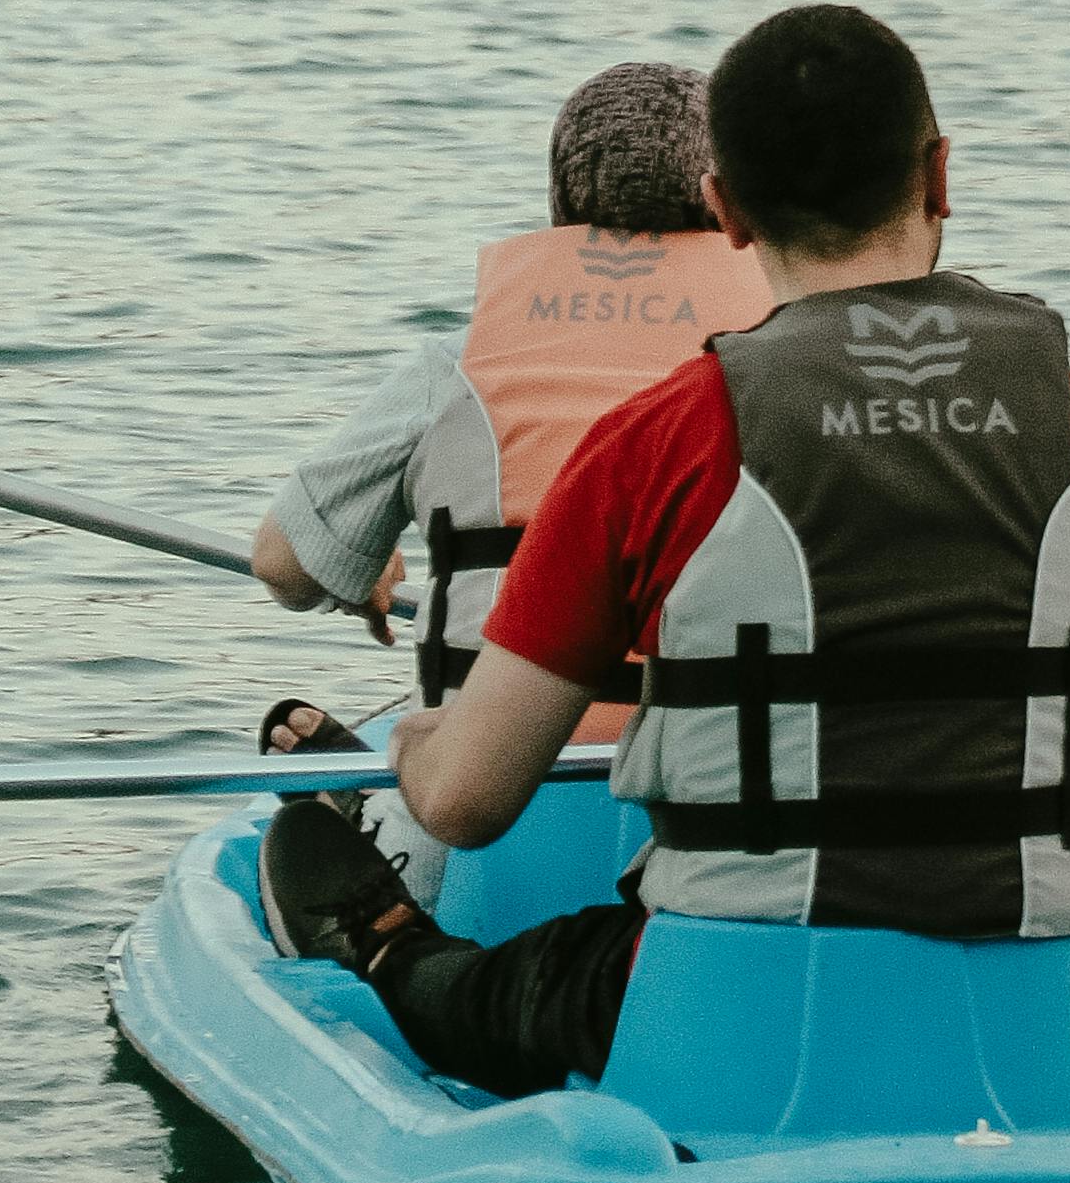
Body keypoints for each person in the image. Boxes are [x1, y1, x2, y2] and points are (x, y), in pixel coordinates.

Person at [259, 2, 1070, 1103]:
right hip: (1051, 1016)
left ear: (727, 211)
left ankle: (387, 946)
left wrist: (418, 738)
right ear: (940, 176)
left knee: (473, 983)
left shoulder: (650, 445)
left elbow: (465, 802)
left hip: (730, 1012)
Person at [251, 62, 771, 745]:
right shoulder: (784, 368)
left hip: (492, 804)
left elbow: (284, 567)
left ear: (556, 210)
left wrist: (355, 556)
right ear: (730, 204)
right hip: (723, 794)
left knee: (429, 775)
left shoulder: (456, 369)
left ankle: (369, 820)